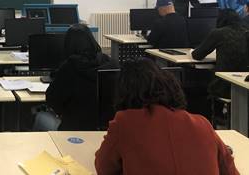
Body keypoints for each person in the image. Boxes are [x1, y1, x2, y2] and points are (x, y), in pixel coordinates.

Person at [95, 59, 239, 175]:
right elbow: (230, 170)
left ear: (124, 92)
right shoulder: (202, 123)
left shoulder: (124, 123)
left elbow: (103, 168)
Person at [45, 24, 117, 130]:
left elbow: (52, 100)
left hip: (73, 129)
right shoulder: (111, 63)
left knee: (40, 117)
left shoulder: (69, 67)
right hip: (105, 129)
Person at [192, 9, 249, 99]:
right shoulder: (246, 32)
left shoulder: (218, 33)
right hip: (244, 85)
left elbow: (197, 55)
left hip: (223, 87)